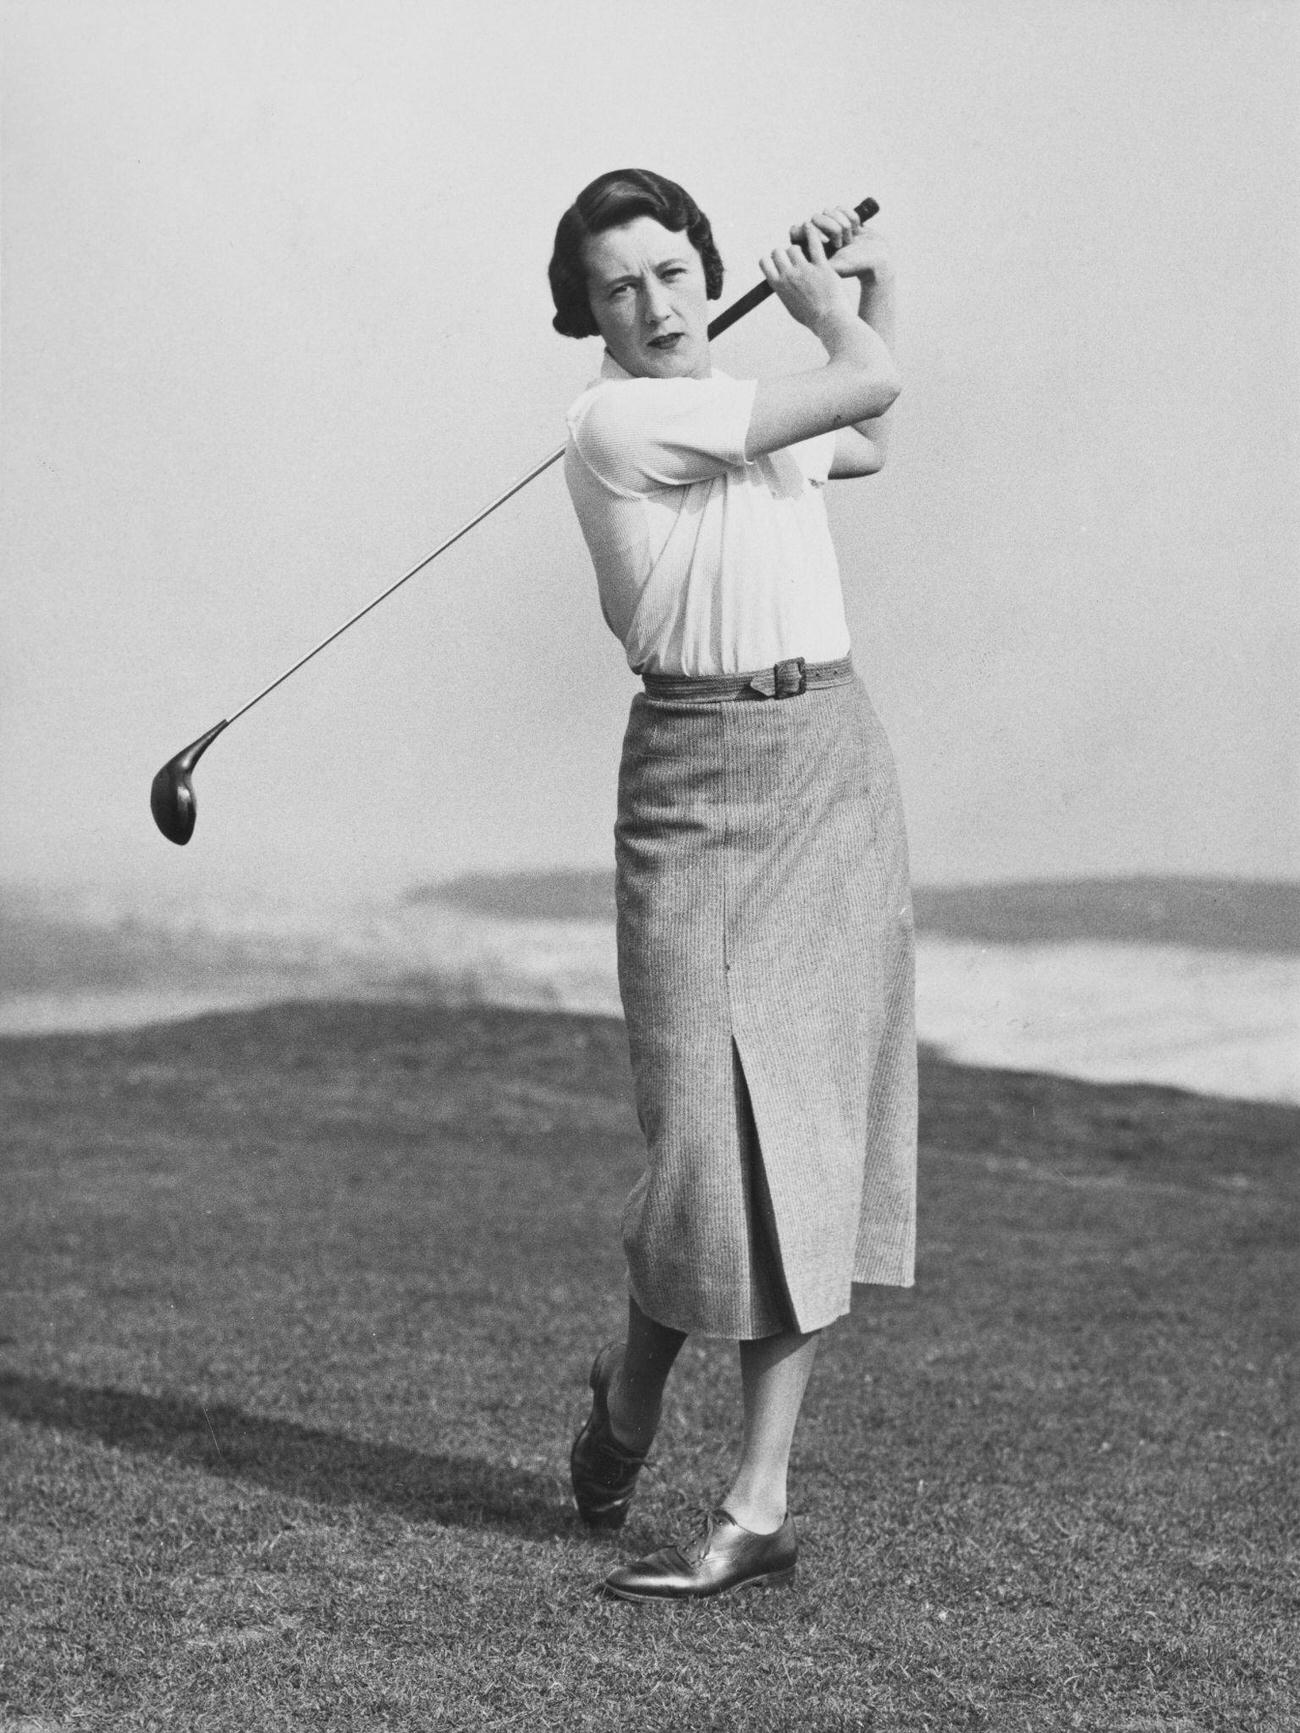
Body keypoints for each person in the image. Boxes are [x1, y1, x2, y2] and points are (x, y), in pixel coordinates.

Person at [549, 169, 915, 1603]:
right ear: (583, 310)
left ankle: (757, 1495)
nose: (654, 301)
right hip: (693, 783)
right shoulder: (622, 418)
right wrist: (841, 317)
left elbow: (870, 426)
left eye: (673, 268)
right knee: (707, 1144)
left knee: (802, 1139)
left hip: (827, 762)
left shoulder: (752, 408)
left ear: (707, 269)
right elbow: (860, 381)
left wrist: (869, 286)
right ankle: (631, 1402)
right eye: (618, 284)